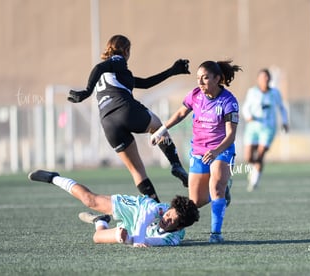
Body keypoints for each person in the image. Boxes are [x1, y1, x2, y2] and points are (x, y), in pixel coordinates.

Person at [68, 35, 190, 203]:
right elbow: (99, 66)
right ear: (126, 50)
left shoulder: (114, 74)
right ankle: (175, 163)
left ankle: (154, 208)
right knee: (158, 127)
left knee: (137, 171)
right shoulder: (117, 61)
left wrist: (172, 71)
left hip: (109, 125)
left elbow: (145, 83)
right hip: (126, 110)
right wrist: (87, 91)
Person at [151, 60, 241, 243]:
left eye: (205, 78)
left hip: (221, 150)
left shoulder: (229, 101)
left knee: (216, 186)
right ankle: (224, 192)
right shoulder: (195, 95)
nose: (200, 82)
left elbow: (231, 136)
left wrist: (216, 151)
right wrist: (161, 129)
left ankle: (215, 234)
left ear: (217, 79)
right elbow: (180, 114)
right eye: (198, 78)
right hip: (198, 151)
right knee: (195, 202)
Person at [28, 169, 199, 247]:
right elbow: (145, 216)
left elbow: (149, 242)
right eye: (169, 213)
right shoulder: (160, 209)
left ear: (180, 226)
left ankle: (100, 221)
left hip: (138, 230)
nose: (166, 218)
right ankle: (53, 178)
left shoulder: (173, 239)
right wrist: (138, 239)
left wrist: (126, 238)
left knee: (97, 237)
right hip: (136, 209)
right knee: (90, 200)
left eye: (171, 220)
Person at [242, 68, 289, 192]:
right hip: (253, 127)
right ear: (258, 79)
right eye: (262, 77)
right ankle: (254, 168)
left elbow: (282, 108)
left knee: (261, 153)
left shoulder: (275, 93)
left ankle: (254, 180)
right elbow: (246, 107)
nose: (265, 80)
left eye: (267, 77)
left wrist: (284, 122)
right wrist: (248, 116)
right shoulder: (252, 92)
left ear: (270, 79)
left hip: (268, 128)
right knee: (248, 157)